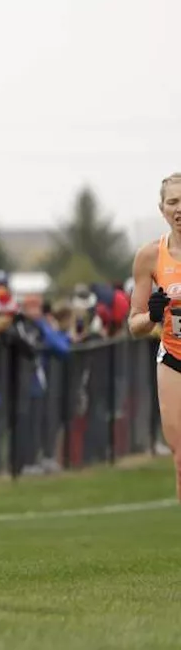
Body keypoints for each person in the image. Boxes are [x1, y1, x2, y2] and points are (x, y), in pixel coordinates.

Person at [129, 172, 181, 501]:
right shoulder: (150, 256)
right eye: (173, 202)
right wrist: (152, 312)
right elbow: (134, 325)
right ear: (162, 208)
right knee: (180, 456)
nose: (180, 209)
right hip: (174, 360)